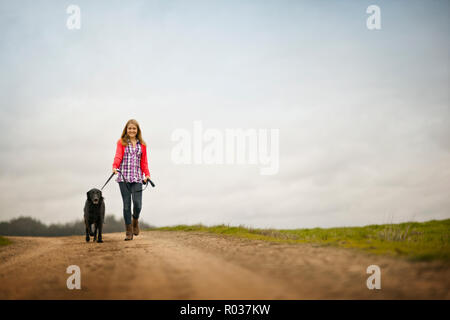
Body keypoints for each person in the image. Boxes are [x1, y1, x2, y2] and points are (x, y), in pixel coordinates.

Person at [112, 119, 151, 241]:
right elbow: (118, 156)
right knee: (126, 206)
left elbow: (144, 162)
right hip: (123, 178)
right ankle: (128, 231)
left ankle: (135, 221)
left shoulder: (142, 145)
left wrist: (147, 175)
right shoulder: (121, 142)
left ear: (137, 130)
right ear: (126, 129)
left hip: (137, 178)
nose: (132, 130)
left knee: (138, 204)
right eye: (130, 128)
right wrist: (114, 167)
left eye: (134, 128)